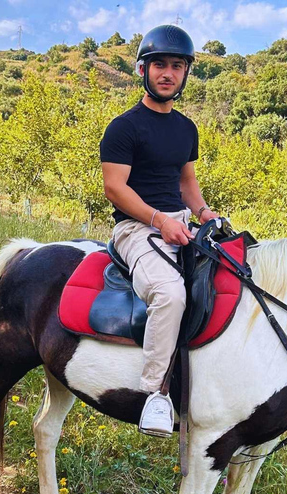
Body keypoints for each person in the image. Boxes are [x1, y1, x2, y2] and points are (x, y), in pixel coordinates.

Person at [99, 25, 219, 437]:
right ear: (143, 70)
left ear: (186, 74)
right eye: (160, 65)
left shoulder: (186, 128)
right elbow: (115, 188)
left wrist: (203, 213)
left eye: (177, 66)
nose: (168, 73)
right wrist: (159, 220)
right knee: (170, 293)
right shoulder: (124, 127)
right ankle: (155, 393)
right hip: (137, 228)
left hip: (179, 224)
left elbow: (186, 183)